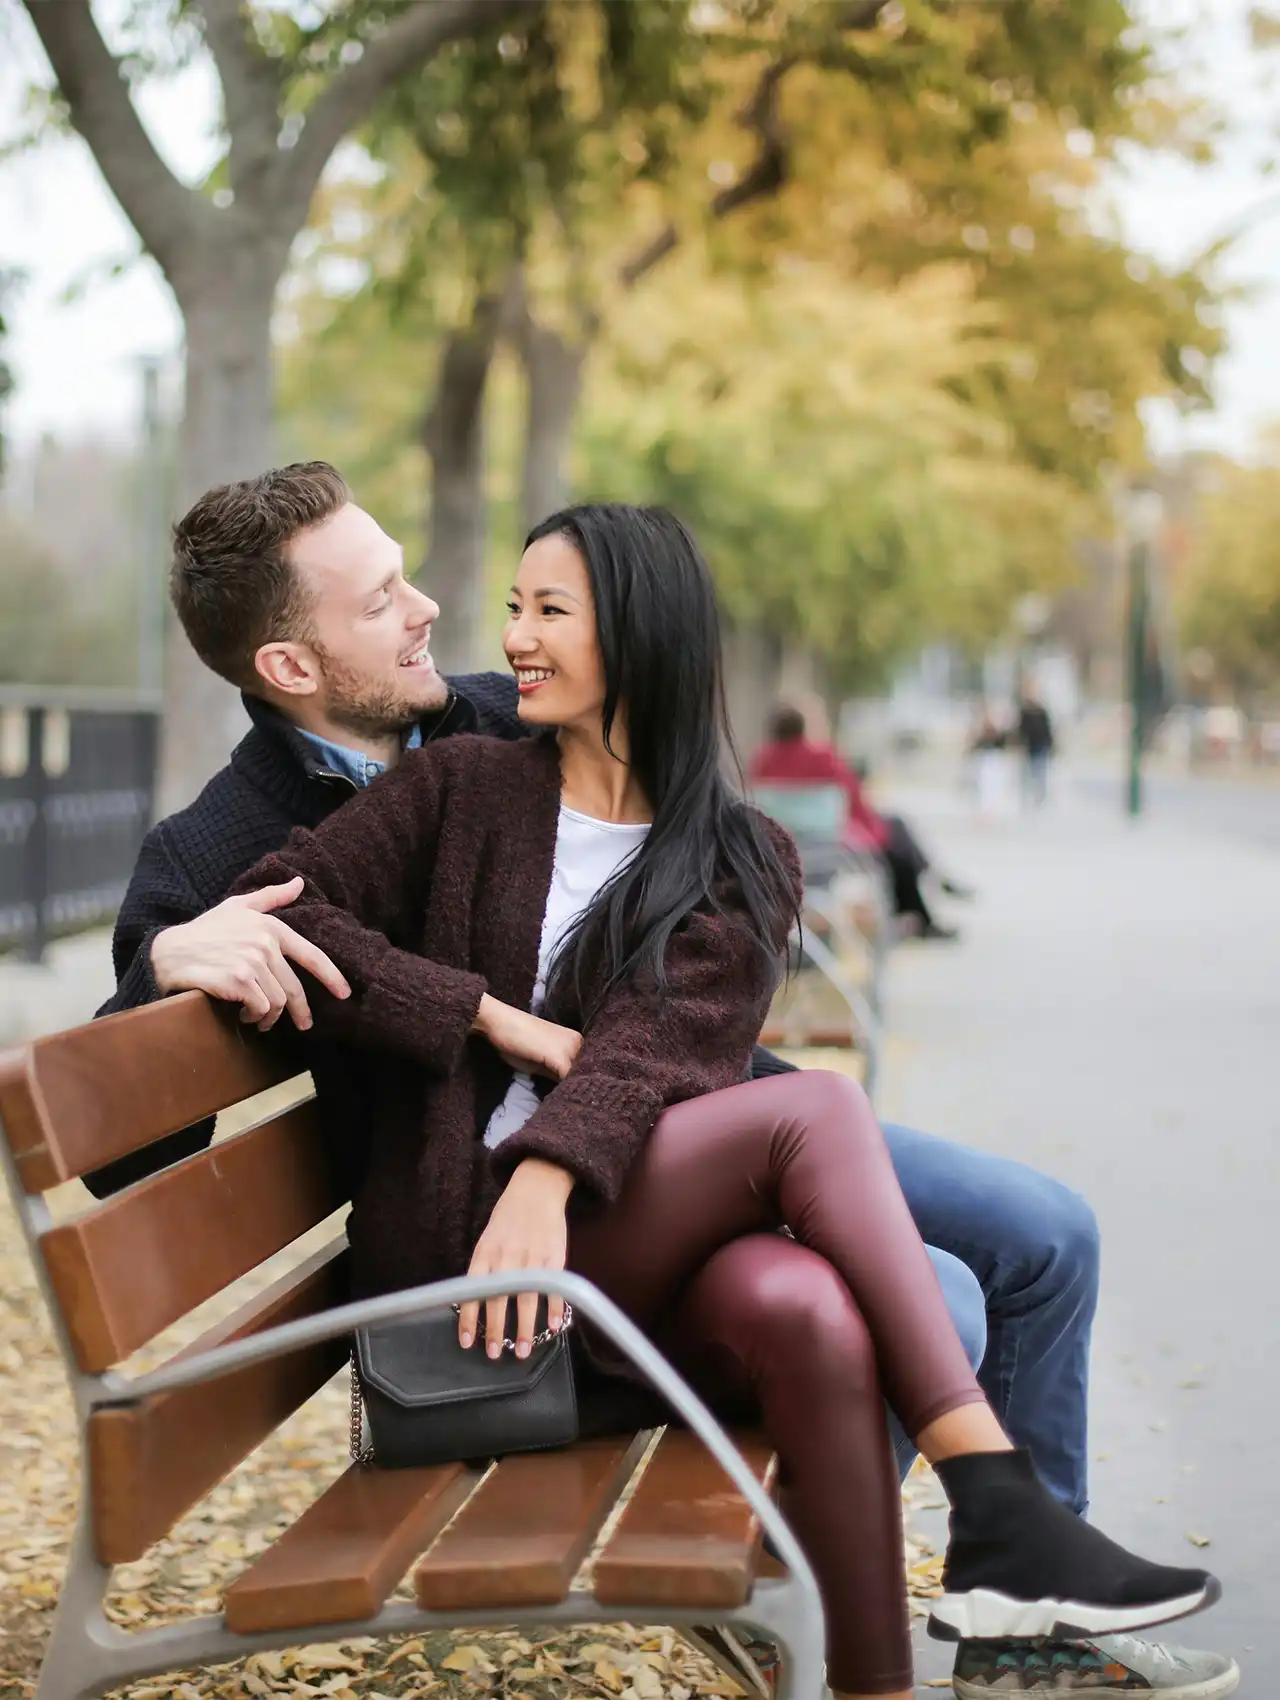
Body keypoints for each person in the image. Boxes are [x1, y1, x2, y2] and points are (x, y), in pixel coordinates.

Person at [95, 465, 1237, 1700]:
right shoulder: (225, 844)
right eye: (380, 600)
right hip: (529, 1204)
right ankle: (853, 1570)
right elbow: (124, 1128)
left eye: (422, 578)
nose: (440, 612)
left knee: (1041, 1232)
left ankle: (1024, 1621)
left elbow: (678, 899)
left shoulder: (494, 713)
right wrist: (167, 956)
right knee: (937, 1299)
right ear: (291, 665)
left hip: (691, 1108)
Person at [748, 701, 967, 940]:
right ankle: (929, 892)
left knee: (898, 834)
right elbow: (854, 799)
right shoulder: (821, 756)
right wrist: (876, 833)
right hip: (830, 847)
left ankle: (931, 887)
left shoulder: (762, 760)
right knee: (898, 839)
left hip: (786, 849)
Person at [1017, 688, 1056, 809]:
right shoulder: (1024, 712)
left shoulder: (1041, 712)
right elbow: (1021, 731)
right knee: (1029, 773)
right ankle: (1029, 797)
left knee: (1041, 772)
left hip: (1041, 746)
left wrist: (1050, 745)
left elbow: (1047, 730)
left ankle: (1040, 797)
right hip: (1029, 747)